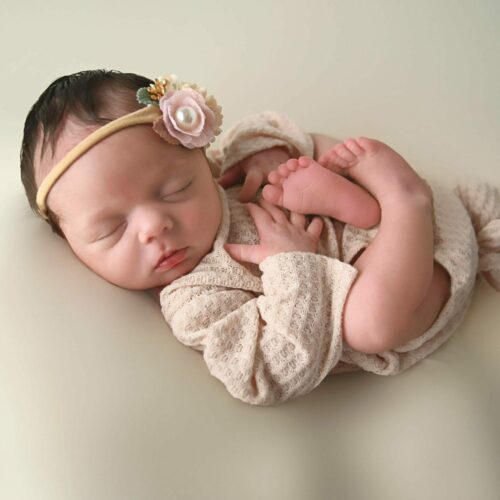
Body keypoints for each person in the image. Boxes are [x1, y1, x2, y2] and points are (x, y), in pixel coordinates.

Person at [20, 69, 500, 405]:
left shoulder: (226, 174)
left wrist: (267, 154)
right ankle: (402, 198)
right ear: (70, 244)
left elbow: (257, 130)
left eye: (176, 188)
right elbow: (269, 373)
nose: (153, 227)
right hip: (416, 282)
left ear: (201, 161)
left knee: (306, 148)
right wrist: (295, 265)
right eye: (112, 229)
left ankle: (394, 199)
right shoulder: (194, 299)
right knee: (367, 325)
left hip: (428, 225)